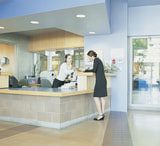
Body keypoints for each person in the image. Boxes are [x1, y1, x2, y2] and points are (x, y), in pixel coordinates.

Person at [85, 50, 107, 121]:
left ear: (92, 56)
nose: (89, 59)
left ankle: (100, 114)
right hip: (103, 80)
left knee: (96, 97)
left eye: (89, 57)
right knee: (102, 98)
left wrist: (85, 70)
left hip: (100, 81)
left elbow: (94, 70)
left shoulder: (96, 60)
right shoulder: (99, 60)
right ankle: (102, 113)